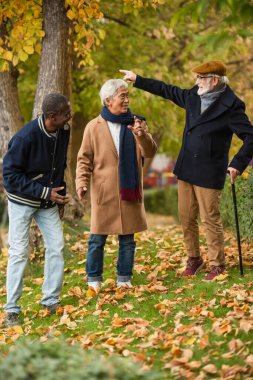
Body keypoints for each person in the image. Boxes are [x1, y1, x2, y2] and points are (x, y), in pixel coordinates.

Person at [120, 61, 253, 281]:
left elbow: (250, 137)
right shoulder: (194, 95)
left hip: (209, 171)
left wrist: (237, 164)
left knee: (210, 218)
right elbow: (167, 90)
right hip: (186, 167)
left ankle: (217, 264)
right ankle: (194, 259)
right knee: (186, 217)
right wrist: (138, 79)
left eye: (201, 78)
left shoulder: (232, 106)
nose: (196, 82)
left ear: (213, 80)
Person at [76, 79, 157, 292]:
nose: (127, 100)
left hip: (129, 190)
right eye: (122, 96)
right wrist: (81, 183)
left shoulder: (136, 123)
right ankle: (94, 279)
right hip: (104, 192)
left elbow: (149, 152)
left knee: (128, 238)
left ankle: (124, 278)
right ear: (108, 100)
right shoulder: (93, 127)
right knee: (97, 239)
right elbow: (84, 159)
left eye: (127, 95)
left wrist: (141, 135)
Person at [3, 93, 71, 326]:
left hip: (48, 201)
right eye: (65, 114)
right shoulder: (25, 138)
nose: (69, 117)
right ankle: (12, 309)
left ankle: (50, 300)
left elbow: (60, 163)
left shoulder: (64, 130)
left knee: (57, 247)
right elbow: (9, 177)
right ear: (51, 116)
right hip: (21, 201)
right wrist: (45, 192)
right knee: (19, 253)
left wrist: (60, 194)